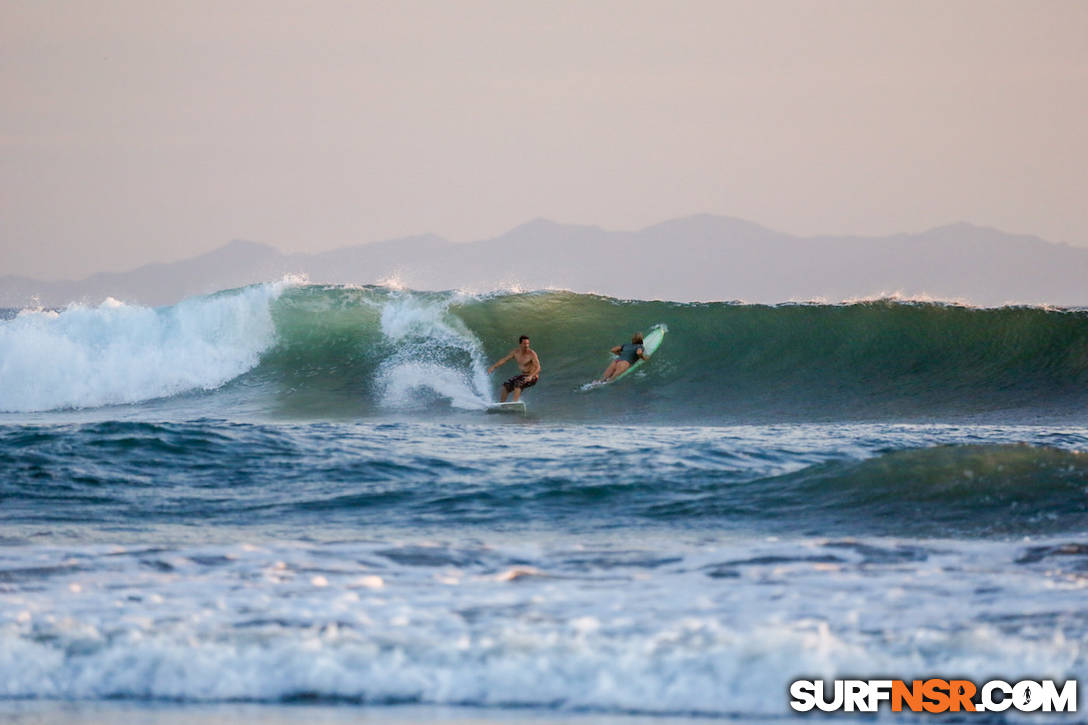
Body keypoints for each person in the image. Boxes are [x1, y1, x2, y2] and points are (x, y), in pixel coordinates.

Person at [488, 335, 541, 402]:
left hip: (533, 377)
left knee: (518, 383)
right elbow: (504, 360)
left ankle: (515, 403)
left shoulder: (532, 354)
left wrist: (531, 376)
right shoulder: (516, 352)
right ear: (520, 344)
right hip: (523, 376)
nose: (527, 345)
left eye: (528, 343)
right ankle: (501, 404)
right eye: (524, 343)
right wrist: (493, 367)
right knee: (506, 385)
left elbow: (538, 368)